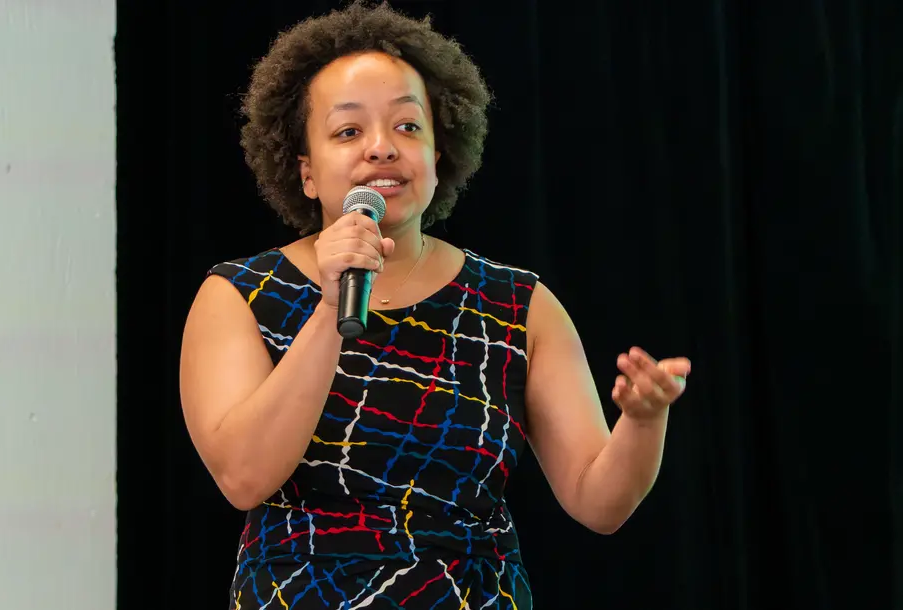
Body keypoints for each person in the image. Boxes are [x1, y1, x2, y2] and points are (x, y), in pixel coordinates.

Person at [179, 2, 691, 608]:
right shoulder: (240, 294)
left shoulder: (516, 304)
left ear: (439, 152)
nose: (382, 149)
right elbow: (243, 477)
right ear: (307, 172)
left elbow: (598, 503)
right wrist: (329, 305)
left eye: (407, 127)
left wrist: (643, 421)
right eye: (348, 132)